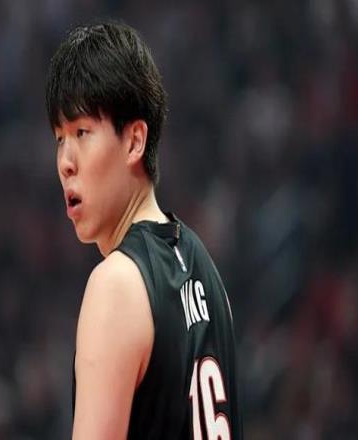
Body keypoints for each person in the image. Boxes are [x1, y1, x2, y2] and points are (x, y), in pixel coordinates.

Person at [45, 20, 243, 440]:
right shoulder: (208, 271)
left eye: (82, 132)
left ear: (135, 141)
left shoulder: (115, 285)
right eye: (59, 138)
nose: (65, 162)